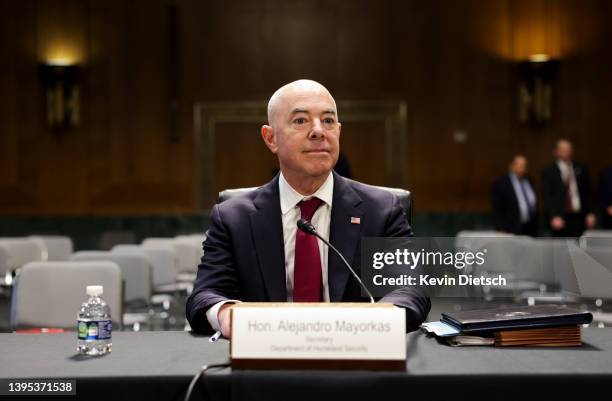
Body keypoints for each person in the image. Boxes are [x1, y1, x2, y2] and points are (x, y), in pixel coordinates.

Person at [186, 79, 430, 337]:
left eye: (328, 121)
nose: (318, 131)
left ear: (338, 131)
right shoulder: (232, 218)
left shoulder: (381, 210)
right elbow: (204, 295)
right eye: (301, 121)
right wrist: (228, 315)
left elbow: (411, 289)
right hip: (265, 361)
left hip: (356, 357)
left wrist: (372, 323)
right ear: (271, 138)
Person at [541, 139, 596, 237]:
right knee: (561, 250)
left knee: (580, 249)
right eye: (562, 149)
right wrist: (554, 216)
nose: (565, 151)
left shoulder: (581, 168)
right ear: (556, 151)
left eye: (568, 149)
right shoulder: (548, 171)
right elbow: (547, 197)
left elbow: (588, 193)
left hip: (579, 217)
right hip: (560, 218)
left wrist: (590, 213)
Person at [491, 155, 538, 236]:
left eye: (524, 166)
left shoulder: (529, 180)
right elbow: (497, 208)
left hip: (530, 227)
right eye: (519, 165)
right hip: (510, 228)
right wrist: (501, 228)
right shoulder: (501, 183)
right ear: (511, 166)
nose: (522, 168)